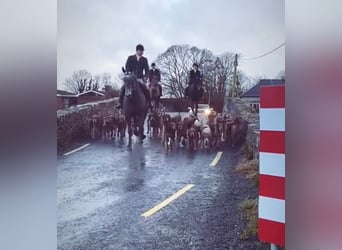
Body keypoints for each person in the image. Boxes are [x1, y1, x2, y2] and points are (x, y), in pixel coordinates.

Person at [116, 44, 151, 109]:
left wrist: (146, 77)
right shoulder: (130, 58)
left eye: (143, 51)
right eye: (141, 51)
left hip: (140, 78)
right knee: (123, 88)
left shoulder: (144, 59)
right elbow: (127, 66)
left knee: (146, 89)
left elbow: (147, 70)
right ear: (137, 50)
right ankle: (120, 102)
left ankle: (149, 103)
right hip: (131, 78)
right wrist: (129, 73)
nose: (142, 52)